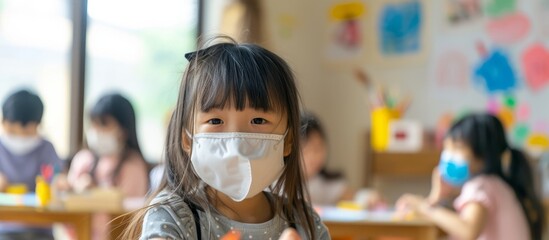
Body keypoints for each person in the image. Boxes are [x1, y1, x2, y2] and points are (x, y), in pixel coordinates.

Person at [122, 37, 330, 240]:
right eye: (215, 121)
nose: (237, 144)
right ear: (187, 140)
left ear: (288, 141)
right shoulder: (174, 217)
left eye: (258, 120)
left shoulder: (303, 222)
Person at [396, 113, 545, 240]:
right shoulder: (497, 185)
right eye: (446, 148)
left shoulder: (481, 186)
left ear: (483, 156)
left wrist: (424, 207)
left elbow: (468, 230)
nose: (448, 156)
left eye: (456, 148)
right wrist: (436, 198)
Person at [66, 93, 149, 240]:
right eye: (93, 124)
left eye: (104, 124)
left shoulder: (133, 166)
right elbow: (67, 209)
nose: (96, 131)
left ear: (124, 129)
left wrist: (95, 195)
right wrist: (74, 190)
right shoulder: (83, 160)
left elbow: (128, 218)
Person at [0, 89, 63, 240]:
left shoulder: (46, 148)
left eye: (27, 132)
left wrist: (58, 182)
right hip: (6, 228)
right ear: (3, 122)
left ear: (38, 125)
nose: (20, 137)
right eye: (13, 132)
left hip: (41, 229)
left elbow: (56, 176)